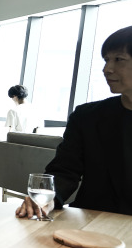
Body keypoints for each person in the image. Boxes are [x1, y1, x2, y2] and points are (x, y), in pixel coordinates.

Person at [17, 25, 132, 219]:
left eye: (119, 59)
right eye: (106, 60)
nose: (107, 69)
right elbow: (65, 170)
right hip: (90, 221)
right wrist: (47, 198)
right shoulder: (87, 116)